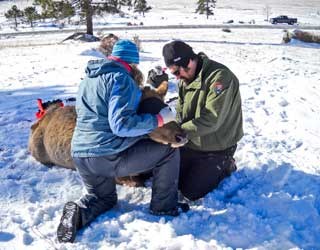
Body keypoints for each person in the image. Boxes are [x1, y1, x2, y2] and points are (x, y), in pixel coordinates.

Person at [57, 39, 189, 244]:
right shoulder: (122, 79)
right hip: (106, 154)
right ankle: (164, 206)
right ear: (132, 63)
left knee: (103, 199)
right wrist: (158, 120)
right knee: (169, 151)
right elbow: (121, 125)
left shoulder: (88, 80)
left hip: (81, 155)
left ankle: (78, 214)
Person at [162, 40, 243, 201]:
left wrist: (179, 132)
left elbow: (212, 119)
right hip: (192, 142)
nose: (179, 77)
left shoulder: (220, 78)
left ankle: (226, 164)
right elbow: (181, 111)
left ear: (190, 60)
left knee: (191, 191)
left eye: (180, 72)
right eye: (175, 74)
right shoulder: (185, 79)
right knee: (167, 175)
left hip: (217, 146)